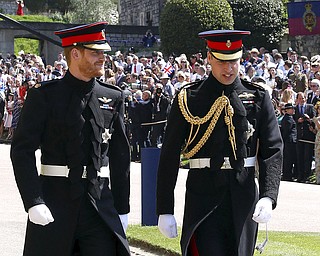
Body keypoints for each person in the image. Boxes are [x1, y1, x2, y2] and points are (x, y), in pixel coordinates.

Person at [156, 30, 283, 256]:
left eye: (234, 61)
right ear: (209, 58)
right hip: (203, 194)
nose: (229, 68)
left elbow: (272, 149)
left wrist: (268, 194)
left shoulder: (257, 97)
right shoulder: (188, 98)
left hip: (242, 195)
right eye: (223, 61)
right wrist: (164, 208)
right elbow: (169, 154)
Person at [10, 22, 131, 256]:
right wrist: (33, 200)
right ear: (75, 53)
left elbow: (120, 157)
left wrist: (122, 208)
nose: (102, 58)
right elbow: (22, 151)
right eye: (95, 52)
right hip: (55, 202)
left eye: (103, 52)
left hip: (99, 206)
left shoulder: (112, 96)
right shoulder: (44, 96)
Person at [294, 92, 316, 183]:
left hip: (308, 136)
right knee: (300, 157)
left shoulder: (310, 107)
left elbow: (314, 119)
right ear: (297, 100)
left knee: (308, 157)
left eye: (303, 98)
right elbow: (293, 120)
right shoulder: (295, 109)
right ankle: (300, 175)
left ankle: (307, 176)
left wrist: (309, 120)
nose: (302, 100)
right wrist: (298, 120)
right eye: (300, 99)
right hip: (299, 136)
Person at [280, 103, 297, 181]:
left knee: (289, 159)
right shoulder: (288, 119)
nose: (293, 110)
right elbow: (287, 131)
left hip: (289, 141)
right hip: (289, 141)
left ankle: (288, 174)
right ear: (287, 110)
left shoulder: (289, 118)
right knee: (288, 159)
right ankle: (287, 175)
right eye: (291, 109)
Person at [312, 101, 320, 184]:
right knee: (317, 159)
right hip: (317, 139)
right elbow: (316, 130)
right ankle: (318, 179)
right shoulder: (317, 118)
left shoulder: (317, 119)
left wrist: (316, 121)